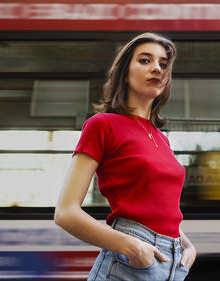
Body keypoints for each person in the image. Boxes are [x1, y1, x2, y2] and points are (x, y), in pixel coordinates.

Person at [54, 32, 196, 281]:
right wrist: (133, 247)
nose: (157, 68)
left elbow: (158, 208)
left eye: (163, 64)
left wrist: (186, 245)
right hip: (132, 261)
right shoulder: (102, 125)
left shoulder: (161, 138)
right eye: (145, 60)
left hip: (173, 264)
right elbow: (65, 213)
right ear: (125, 72)